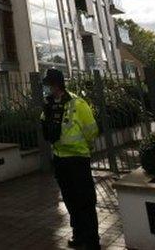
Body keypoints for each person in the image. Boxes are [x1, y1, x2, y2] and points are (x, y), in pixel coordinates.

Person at [41, 68, 100, 250]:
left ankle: (91, 240)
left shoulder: (78, 104)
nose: (48, 89)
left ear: (56, 84)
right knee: (70, 199)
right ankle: (78, 234)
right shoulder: (50, 105)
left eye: (49, 85)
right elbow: (45, 125)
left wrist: (86, 146)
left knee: (85, 201)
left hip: (78, 159)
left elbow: (91, 130)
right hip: (60, 159)